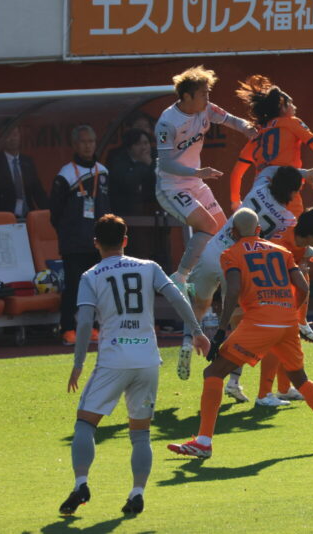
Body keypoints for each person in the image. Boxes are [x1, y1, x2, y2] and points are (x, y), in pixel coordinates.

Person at [58, 214, 209, 516]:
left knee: (85, 423)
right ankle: (137, 493)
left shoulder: (90, 276)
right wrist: (196, 331)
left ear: (96, 243)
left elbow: (85, 322)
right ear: (126, 240)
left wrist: (78, 362)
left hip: (113, 360)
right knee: (140, 433)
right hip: (147, 360)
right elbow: (178, 298)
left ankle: (81, 484)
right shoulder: (149, 267)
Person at [167, 208, 313, 459]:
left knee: (213, 372)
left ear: (232, 232)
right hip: (286, 321)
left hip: (260, 322)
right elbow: (303, 287)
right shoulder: (282, 251)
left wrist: (221, 330)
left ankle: (204, 442)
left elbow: (232, 291)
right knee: (300, 379)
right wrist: (290, 312)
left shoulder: (231, 253)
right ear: (259, 230)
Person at [229, 74, 313, 340]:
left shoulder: (258, 134)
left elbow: (237, 171)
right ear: (283, 106)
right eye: (291, 102)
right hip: (285, 196)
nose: (295, 106)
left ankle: (253, 315)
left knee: (258, 258)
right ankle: (300, 320)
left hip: (259, 199)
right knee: (299, 257)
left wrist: (235, 201)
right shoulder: (291, 123)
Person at [178, 166, 310, 403]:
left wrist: (304, 172)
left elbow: (270, 168)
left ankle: (188, 341)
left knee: (199, 304)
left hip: (213, 253)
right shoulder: (287, 219)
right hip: (239, 263)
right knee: (240, 327)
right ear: (292, 191)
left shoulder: (259, 188)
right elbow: (273, 246)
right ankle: (233, 382)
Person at [154, 66, 257, 297]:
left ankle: (212, 280)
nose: (208, 98)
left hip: (195, 181)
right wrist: (198, 172)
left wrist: (249, 129)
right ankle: (180, 278)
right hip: (171, 187)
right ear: (187, 96)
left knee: (225, 231)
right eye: (203, 94)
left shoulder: (206, 109)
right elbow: (166, 164)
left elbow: (232, 120)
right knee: (208, 227)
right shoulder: (167, 123)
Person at [255, 207, 313, 405]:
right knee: (275, 346)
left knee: (289, 346)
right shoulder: (280, 246)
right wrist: (299, 269)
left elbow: (305, 257)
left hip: (287, 303)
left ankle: (283, 389)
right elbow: (276, 277)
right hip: (271, 301)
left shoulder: (298, 241)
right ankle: (263, 394)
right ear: (312, 234)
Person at [50, 125, 111, 346]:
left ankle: (92, 327)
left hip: (98, 242)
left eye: (91, 141)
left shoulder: (102, 172)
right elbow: (55, 212)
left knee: (96, 288)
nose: (88, 146)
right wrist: (70, 231)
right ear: (75, 145)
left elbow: (108, 206)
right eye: (83, 142)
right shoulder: (65, 174)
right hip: (74, 243)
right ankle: (67, 328)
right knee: (74, 286)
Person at [107, 128, 161, 261]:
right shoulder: (119, 161)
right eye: (138, 144)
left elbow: (163, 183)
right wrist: (142, 165)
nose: (144, 147)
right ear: (129, 147)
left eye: (146, 143)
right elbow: (128, 183)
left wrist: (150, 164)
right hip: (130, 221)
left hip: (156, 221)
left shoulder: (156, 158)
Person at [0, 123, 48, 217]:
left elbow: (38, 192)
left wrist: (52, 214)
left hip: (28, 217)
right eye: (8, 135)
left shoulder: (27, 162)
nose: (12, 138)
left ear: (20, 136)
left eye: (15, 134)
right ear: (1, 138)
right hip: (4, 218)